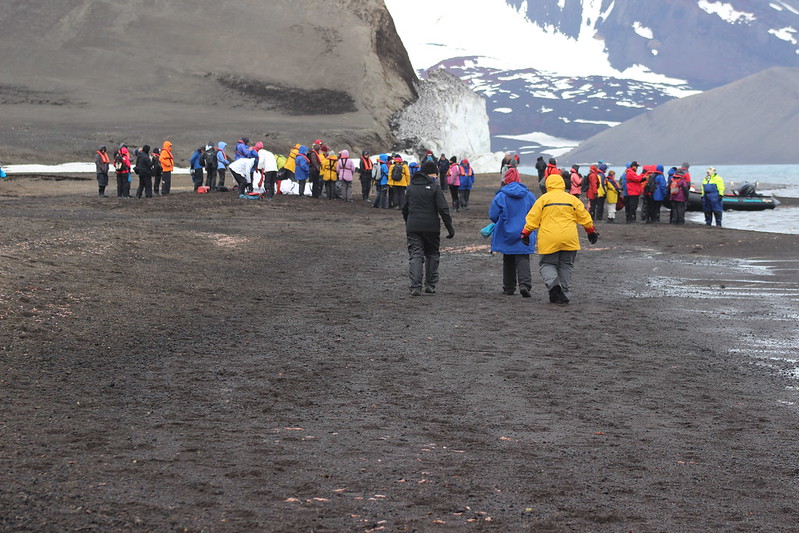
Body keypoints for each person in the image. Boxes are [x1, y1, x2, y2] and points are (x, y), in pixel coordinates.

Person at [521, 174, 599, 304]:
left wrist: (525, 233)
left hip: (549, 237)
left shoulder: (543, 199)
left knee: (547, 264)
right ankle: (564, 292)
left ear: (548, 185)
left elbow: (533, 218)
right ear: (562, 184)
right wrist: (591, 231)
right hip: (569, 237)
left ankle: (554, 285)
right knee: (566, 265)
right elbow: (584, 216)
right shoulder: (572, 199)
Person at [402, 161, 455, 296]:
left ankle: (415, 287)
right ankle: (430, 285)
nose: (436, 176)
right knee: (432, 254)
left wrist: (408, 223)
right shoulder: (435, 187)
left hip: (413, 226)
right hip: (432, 227)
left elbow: (405, 208)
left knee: (416, 254)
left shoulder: (410, 187)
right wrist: (449, 227)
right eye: (435, 174)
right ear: (431, 173)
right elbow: (443, 208)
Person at [489, 166, 537, 297]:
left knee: (508, 257)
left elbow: (493, 215)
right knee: (523, 257)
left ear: (506, 179)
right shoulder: (529, 195)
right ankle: (524, 285)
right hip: (525, 231)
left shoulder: (501, 196)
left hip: (506, 231)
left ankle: (509, 287)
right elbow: (536, 213)